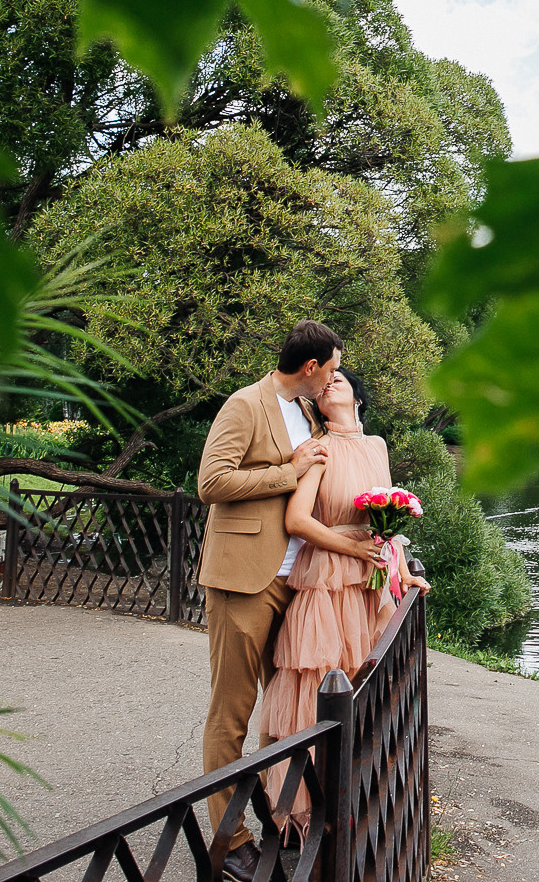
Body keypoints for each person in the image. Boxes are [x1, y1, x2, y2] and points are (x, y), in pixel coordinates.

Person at [196, 320, 373, 881]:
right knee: (233, 712)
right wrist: (286, 471)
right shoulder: (246, 405)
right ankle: (230, 843)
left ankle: (281, 815)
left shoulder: (306, 414)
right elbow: (211, 483)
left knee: (282, 709)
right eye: (334, 367)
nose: (336, 377)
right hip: (243, 578)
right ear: (313, 366)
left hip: (292, 582)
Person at [260, 367, 428, 835]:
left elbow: (385, 526)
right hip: (327, 578)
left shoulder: (377, 446)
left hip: (368, 584)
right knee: (318, 690)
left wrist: (399, 572)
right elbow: (297, 520)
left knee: (365, 685)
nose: (329, 383)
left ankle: (359, 804)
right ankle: (310, 819)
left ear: (358, 394)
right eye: (325, 381)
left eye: (339, 379)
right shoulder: (317, 449)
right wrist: (350, 546)